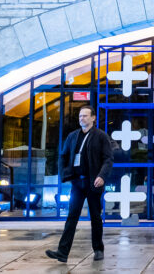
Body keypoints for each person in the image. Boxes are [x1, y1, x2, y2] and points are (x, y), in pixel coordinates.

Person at [46, 105, 112, 264]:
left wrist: (102, 176)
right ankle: (62, 253)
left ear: (93, 118)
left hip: (93, 183)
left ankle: (98, 249)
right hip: (77, 183)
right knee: (71, 216)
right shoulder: (73, 136)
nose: (81, 118)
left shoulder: (101, 136)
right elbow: (63, 156)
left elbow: (108, 159)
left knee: (95, 217)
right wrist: (65, 174)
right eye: (80, 116)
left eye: (85, 116)